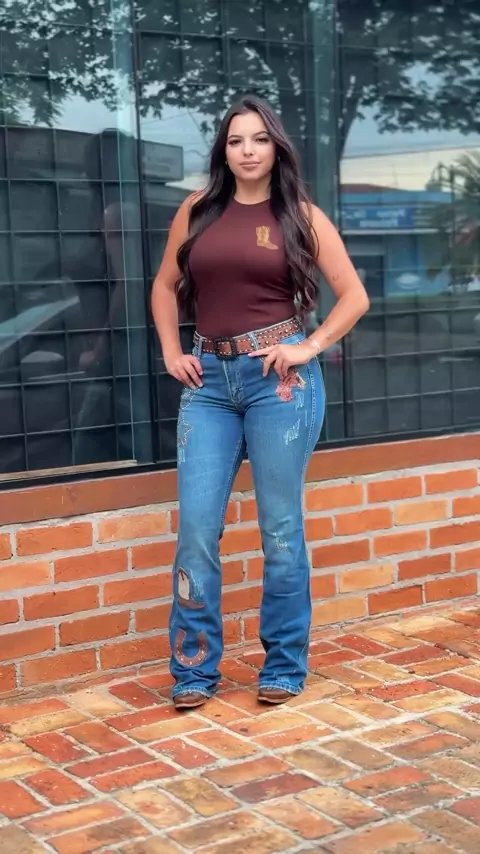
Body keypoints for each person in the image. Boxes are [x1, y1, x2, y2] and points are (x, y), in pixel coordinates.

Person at [151, 94, 369, 710]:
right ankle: (193, 668)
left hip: (280, 383)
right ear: (224, 151)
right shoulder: (198, 210)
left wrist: (310, 345)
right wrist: (171, 351)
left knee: (279, 530)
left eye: (259, 139)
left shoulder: (300, 215)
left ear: (276, 147)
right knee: (197, 530)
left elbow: (354, 295)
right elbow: (165, 285)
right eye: (235, 140)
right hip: (208, 387)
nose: (247, 150)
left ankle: (284, 663)